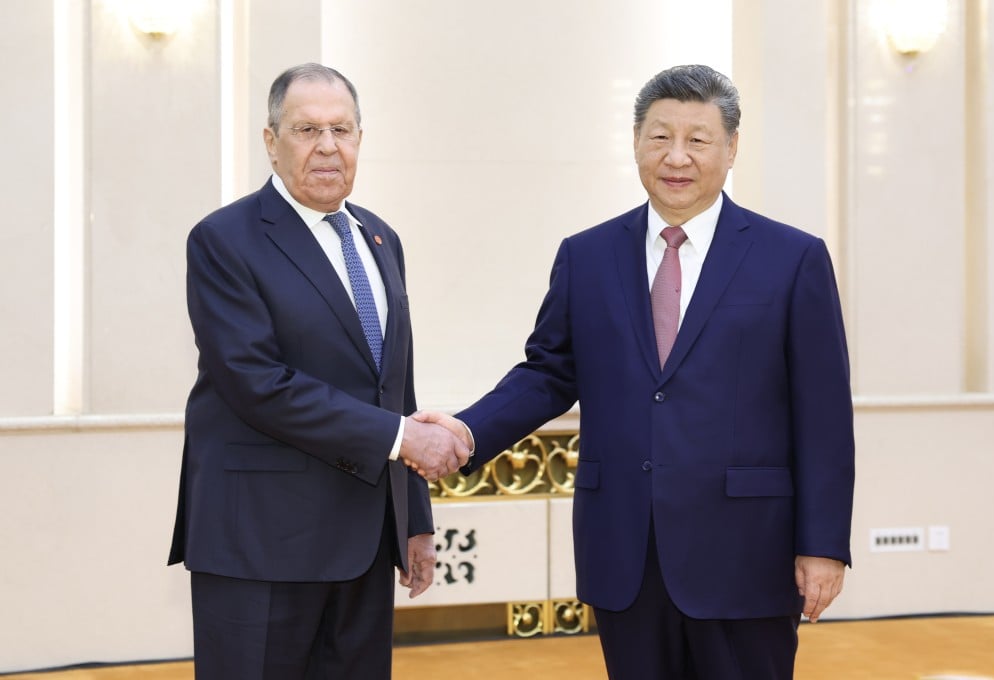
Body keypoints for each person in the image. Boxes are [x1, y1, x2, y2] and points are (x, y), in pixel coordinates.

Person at [416, 64, 854, 679]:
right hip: (626, 551)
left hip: (747, 553)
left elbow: (824, 415)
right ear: (635, 142)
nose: (677, 157)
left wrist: (824, 544)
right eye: (659, 137)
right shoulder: (587, 255)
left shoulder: (793, 258)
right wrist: (466, 431)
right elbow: (547, 373)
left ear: (731, 148)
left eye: (698, 140)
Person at [168, 62, 469, 680]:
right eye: (306, 129)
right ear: (271, 142)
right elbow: (257, 382)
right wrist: (402, 439)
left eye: (342, 129)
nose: (328, 146)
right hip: (259, 544)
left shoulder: (380, 239)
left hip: (363, 543)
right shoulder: (224, 240)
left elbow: (395, 389)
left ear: (360, 138)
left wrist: (413, 520)